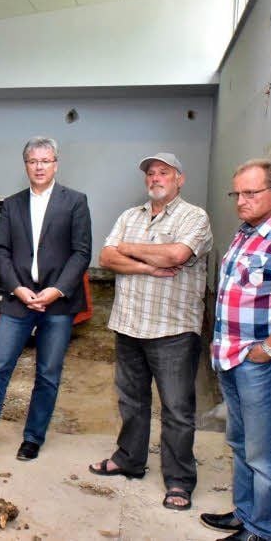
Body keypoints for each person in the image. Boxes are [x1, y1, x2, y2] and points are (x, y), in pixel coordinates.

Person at [0, 136, 91, 461]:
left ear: (56, 163)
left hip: (58, 303)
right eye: (33, 161)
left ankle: (33, 438)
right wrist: (17, 288)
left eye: (46, 160)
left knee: (47, 373)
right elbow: (1, 250)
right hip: (17, 301)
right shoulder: (12, 204)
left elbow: (81, 253)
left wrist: (56, 290)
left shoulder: (75, 202)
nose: (39, 166)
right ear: (25, 165)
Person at [88, 153, 212, 512]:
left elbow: (176, 254)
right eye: (151, 173)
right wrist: (147, 265)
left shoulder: (195, 217)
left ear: (180, 178)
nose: (156, 178)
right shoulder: (130, 216)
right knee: (131, 401)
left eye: (164, 172)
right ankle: (129, 458)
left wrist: (128, 248)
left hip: (172, 329)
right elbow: (106, 258)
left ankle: (178, 480)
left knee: (176, 408)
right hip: (129, 324)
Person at [199, 160, 271, 541]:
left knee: (264, 454)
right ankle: (245, 515)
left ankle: (263, 531)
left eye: (251, 193)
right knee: (240, 442)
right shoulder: (247, 232)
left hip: (258, 362)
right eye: (238, 194)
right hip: (230, 355)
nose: (241, 201)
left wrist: (267, 348)